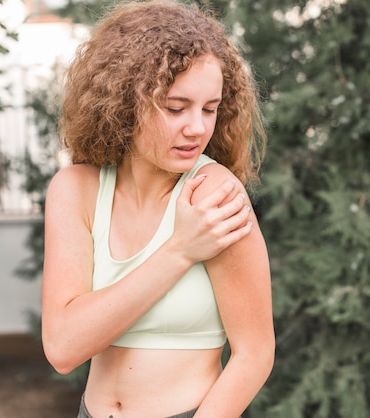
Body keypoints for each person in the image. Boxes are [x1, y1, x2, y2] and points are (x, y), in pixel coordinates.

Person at [41, 1, 275, 417]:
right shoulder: (75, 191)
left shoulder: (214, 197)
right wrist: (179, 250)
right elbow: (62, 347)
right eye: (175, 107)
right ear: (125, 102)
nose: (197, 128)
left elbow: (255, 353)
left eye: (210, 108)